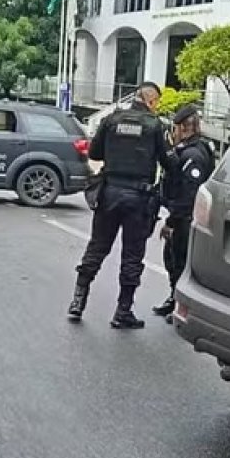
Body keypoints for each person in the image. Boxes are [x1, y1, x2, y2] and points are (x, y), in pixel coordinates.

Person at [68, 81, 170, 329]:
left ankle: (77, 302)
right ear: (152, 101)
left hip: (110, 193)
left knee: (97, 247)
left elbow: (94, 154)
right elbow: (167, 161)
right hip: (139, 198)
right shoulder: (155, 125)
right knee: (132, 256)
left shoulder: (112, 120)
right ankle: (123, 311)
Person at [153, 104, 215, 318]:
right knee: (172, 259)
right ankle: (174, 298)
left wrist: (171, 221)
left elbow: (188, 194)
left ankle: (183, 307)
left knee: (181, 263)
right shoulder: (186, 150)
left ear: (182, 128)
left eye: (175, 128)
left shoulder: (194, 155)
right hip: (181, 216)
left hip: (186, 218)